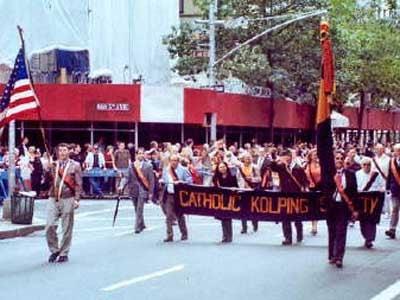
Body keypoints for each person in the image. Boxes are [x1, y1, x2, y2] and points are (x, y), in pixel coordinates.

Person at [46, 143, 82, 263]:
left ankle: (64, 252)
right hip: (53, 197)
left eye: (64, 150)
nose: (62, 152)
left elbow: (78, 183)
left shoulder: (75, 165)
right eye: (60, 150)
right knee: (49, 225)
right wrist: (47, 169)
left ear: (69, 152)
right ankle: (54, 249)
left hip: (68, 198)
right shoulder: (53, 164)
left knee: (67, 227)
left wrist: (77, 199)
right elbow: (46, 181)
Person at [270, 149, 308, 245]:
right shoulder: (281, 167)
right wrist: (275, 158)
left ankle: (299, 234)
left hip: (296, 195)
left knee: (297, 217)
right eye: (282, 157)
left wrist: (305, 188)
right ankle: (288, 237)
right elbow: (273, 167)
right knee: (285, 217)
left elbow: (304, 180)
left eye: (285, 156)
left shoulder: (298, 167)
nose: (284, 158)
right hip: (285, 194)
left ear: (290, 157)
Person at [328, 151, 358, 268]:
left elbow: (354, 192)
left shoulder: (350, 174)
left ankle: (339, 257)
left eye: (341, 158)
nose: (339, 160)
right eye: (337, 158)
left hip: (344, 206)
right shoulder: (329, 174)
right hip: (332, 206)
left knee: (341, 231)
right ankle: (332, 255)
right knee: (332, 231)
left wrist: (355, 208)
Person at [160, 154, 192, 242]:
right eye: (172, 160)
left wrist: (181, 182)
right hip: (169, 195)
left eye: (175, 160)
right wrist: (162, 181)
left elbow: (190, 180)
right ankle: (169, 235)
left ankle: (184, 233)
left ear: (178, 161)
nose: (173, 162)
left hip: (179, 196)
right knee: (168, 216)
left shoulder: (183, 170)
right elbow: (164, 180)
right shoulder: (166, 170)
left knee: (180, 215)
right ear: (169, 161)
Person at [355, 157, 385, 248]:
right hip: (362, 199)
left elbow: (383, 185)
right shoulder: (357, 174)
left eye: (368, 164)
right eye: (364, 164)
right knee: (363, 219)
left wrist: (382, 190)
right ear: (361, 166)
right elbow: (355, 186)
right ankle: (366, 236)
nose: (366, 166)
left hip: (373, 199)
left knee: (372, 219)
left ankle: (370, 238)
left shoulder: (376, 174)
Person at [127, 148, 155, 234]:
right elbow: (126, 177)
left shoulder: (148, 166)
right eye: (139, 153)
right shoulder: (131, 165)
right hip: (133, 189)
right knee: (136, 208)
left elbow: (151, 180)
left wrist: (150, 192)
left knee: (140, 208)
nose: (141, 155)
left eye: (142, 153)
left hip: (143, 190)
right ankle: (142, 223)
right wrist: (121, 186)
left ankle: (137, 227)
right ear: (136, 155)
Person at [213, 161, 238, 243]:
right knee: (222, 218)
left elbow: (236, 187)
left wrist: (234, 189)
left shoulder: (232, 177)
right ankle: (224, 236)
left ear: (227, 167)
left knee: (228, 217)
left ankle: (229, 236)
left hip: (230, 199)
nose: (222, 168)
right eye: (220, 167)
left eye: (224, 166)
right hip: (220, 199)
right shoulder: (216, 178)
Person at [237, 152, 261, 233]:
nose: (248, 159)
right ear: (243, 159)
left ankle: (255, 224)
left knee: (253, 208)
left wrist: (252, 179)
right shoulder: (240, 167)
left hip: (252, 190)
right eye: (246, 158)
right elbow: (238, 178)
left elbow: (259, 178)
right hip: (242, 190)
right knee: (242, 209)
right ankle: (244, 227)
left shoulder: (255, 167)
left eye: (249, 158)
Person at [305, 149, 322, 235]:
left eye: (316, 154)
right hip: (311, 188)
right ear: (310, 156)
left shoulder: (321, 165)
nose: (315, 156)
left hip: (320, 188)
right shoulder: (307, 165)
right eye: (314, 155)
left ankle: (315, 225)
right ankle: (313, 226)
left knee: (318, 207)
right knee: (312, 207)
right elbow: (304, 177)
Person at [385, 143, 400, 239]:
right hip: (395, 189)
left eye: (398, 150)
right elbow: (389, 175)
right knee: (395, 208)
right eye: (396, 150)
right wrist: (387, 187)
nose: (397, 153)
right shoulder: (392, 161)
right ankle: (392, 229)